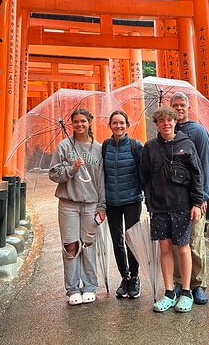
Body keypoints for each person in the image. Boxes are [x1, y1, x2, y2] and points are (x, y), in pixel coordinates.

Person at [139, 107, 204, 313]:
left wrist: (197, 203)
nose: (166, 123)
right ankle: (168, 292)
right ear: (156, 124)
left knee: (183, 247)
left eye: (170, 120)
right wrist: (149, 199)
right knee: (164, 248)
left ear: (176, 122)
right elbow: (144, 176)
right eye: (161, 121)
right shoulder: (150, 147)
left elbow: (197, 175)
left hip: (182, 204)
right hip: (159, 206)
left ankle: (186, 292)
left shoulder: (187, 144)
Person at [49, 109, 106, 306]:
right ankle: (72, 288)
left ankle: (89, 285)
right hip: (68, 203)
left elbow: (101, 180)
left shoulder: (98, 149)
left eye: (83, 121)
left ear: (90, 123)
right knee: (71, 245)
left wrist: (102, 206)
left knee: (88, 245)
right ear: (71, 124)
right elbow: (54, 174)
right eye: (76, 122)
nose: (80, 125)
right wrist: (72, 169)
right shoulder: (64, 147)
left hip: (91, 204)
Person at [170, 91, 209, 305]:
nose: (178, 109)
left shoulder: (198, 132)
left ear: (188, 108)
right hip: (174, 199)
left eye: (181, 105)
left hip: (195, 197)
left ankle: (199, 284)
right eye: (174, 105)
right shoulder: (167, 131)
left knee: (195, 242)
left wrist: (202, 197)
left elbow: (205, 166)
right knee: (178, 243)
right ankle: (179, 282)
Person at [102, 110, 144, 299]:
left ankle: (135, 277)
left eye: (121, 123)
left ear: (127, 125)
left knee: (131, 240)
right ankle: (124, 277)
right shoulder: (105, 146)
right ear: (110, 126)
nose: (118, 126)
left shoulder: (136, 146)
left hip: (132, 200)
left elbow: (145, 171)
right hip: (112, 201)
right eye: (114, 123)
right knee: (117, 241)